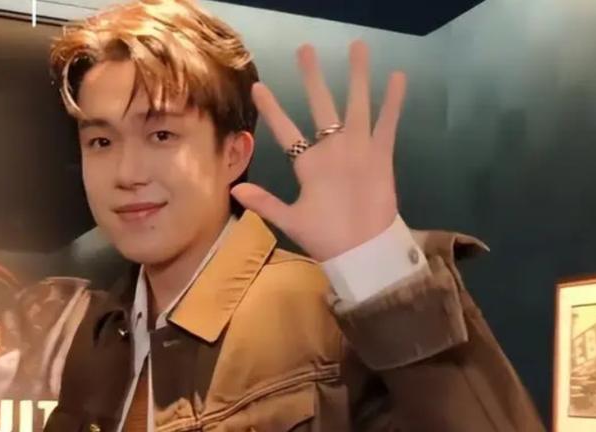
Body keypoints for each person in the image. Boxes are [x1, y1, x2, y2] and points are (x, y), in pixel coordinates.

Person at [41, 0, 545, 430]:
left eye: (162, 135)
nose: (127, 173)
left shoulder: (333, 320)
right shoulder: (100, 328)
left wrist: (382, 274)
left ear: (233, 155)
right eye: (101, 141)